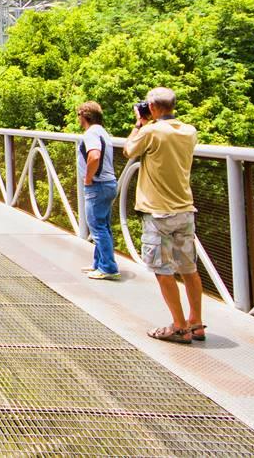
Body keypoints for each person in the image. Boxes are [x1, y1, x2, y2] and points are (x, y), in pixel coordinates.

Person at [124, 87, 204, 344]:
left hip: (158, 212)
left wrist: (139, 123)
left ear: (153, 107)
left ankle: (179, 326)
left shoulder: (151, 131)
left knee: (163, 270)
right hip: (185, 209)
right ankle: (196, 323)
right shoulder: (189, 131)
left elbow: (129, 150)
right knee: (189, 268)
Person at [77, 101, 120, 281]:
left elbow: (94, 156)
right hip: (108, 184)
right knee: (103, 226)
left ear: (84, 116)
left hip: (98, 185)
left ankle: (108, 267)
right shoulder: (102, 132)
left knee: (97, 226)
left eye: (78, 115)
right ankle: (99, 263)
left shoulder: (91, 133)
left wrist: (88, 178)